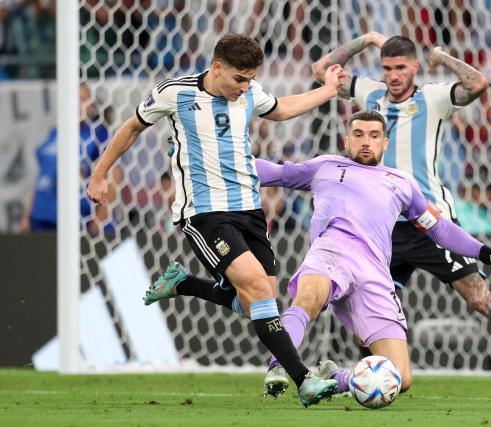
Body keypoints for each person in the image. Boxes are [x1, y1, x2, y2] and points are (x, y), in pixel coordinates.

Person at [87, 34, 346, 408]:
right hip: (204, 213)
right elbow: (131, 128)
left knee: (256, 301)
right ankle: (304, 379)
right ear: (217, 67)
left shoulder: (249, 92)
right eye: (239, 79)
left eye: (250, 79)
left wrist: (328, 90)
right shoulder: (173, 92)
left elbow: (282, 108)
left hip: (250, 209)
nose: (245, 88)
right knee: (258, 288)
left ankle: (184, 284)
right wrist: (100, 174)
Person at [311, 33, 491, 400]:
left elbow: (477, 83)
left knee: (479, 299)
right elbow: (321, 70)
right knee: (370, 312)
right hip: (381, 226)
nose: (394, 76)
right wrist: (365, 40)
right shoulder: (368, 93)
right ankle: (365, 382)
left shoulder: (431, 97)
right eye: (387, 68)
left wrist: (442, 57)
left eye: (401, 68)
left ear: (414, 67)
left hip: (428, 222)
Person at [258, 110, 491, 397]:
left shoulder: (401, 183)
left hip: (374, 271)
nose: (365, 142)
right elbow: (275, 173)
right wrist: (223, 162)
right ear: (346, 140)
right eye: (358, 135)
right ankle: (281, 367)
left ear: (385, 143)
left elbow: (440, 230)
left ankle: (335, 377)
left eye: (374, 136)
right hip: (331, 251)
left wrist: (485, 253)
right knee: (308, 298)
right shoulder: (325, 167)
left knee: (399, 378)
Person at [20, 82, 111, 233]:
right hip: (40, 217)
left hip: (75, 220)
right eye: (73, 99)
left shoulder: (99, 135)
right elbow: (41, 176)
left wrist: (100, 220)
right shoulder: (56, 132)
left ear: (92, 106)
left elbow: (112, 178)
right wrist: (26, 216)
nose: (77, 105)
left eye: (82, 99)